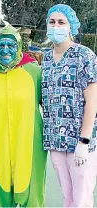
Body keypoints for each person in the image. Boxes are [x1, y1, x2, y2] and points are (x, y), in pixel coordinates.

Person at [0, 22, 47, 207]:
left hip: (29, 145)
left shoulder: (35, 72)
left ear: (18, 47)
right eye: (1, 45)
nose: (6, 50)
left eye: (11, 45)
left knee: (32, 196)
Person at [42, 4, 97, 207]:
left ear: (70, 27)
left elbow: (93, 101)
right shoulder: (46, 58)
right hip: (55, 140)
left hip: (79, 142)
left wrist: (84, 141)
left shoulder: (85, 56)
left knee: (82, 198)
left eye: (61, 22)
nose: (56, 26)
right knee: (68, 196)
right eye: (52, 22)